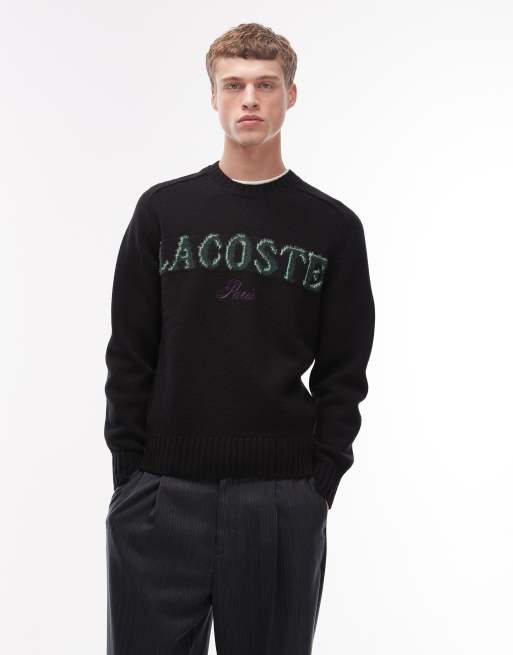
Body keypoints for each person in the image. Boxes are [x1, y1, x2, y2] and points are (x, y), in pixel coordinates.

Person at [104, 21, 375, 655]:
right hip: (161, 494)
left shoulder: (333, 227)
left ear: (290, 95)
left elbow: (345, 368)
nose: (249, 99)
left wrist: (318, 483)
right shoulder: (163, 212)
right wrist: (131, 476)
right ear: (213, 96)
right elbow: (129, 351)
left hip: (280, 500)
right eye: (233, 85)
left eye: (265, 84)